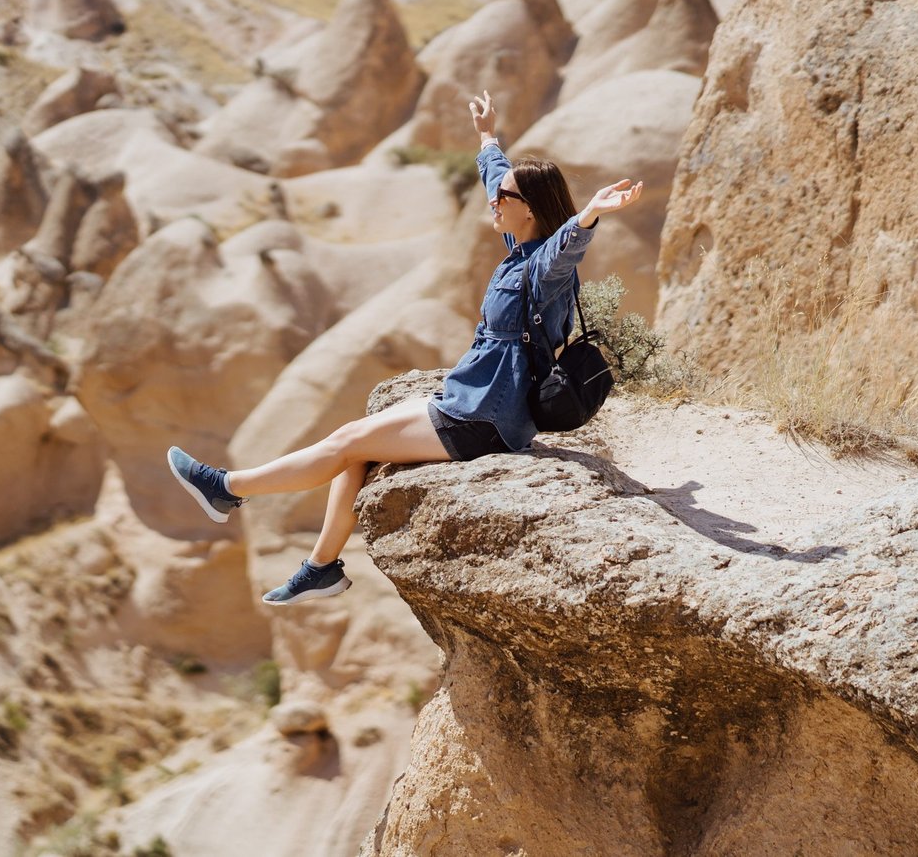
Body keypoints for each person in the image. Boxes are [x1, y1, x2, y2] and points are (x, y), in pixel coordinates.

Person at [167, 90, 645, 605]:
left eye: (504, 199)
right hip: (469, 399)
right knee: (356, 449)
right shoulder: (520, 249)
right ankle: (320, 568)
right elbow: (498, 179)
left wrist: (589, 215)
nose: (493, 202)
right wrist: (488, 138)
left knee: (347, 444)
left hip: (486, 418)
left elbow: (564, 250)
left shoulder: (544, 267)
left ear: (529, 210)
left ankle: (227, 488)